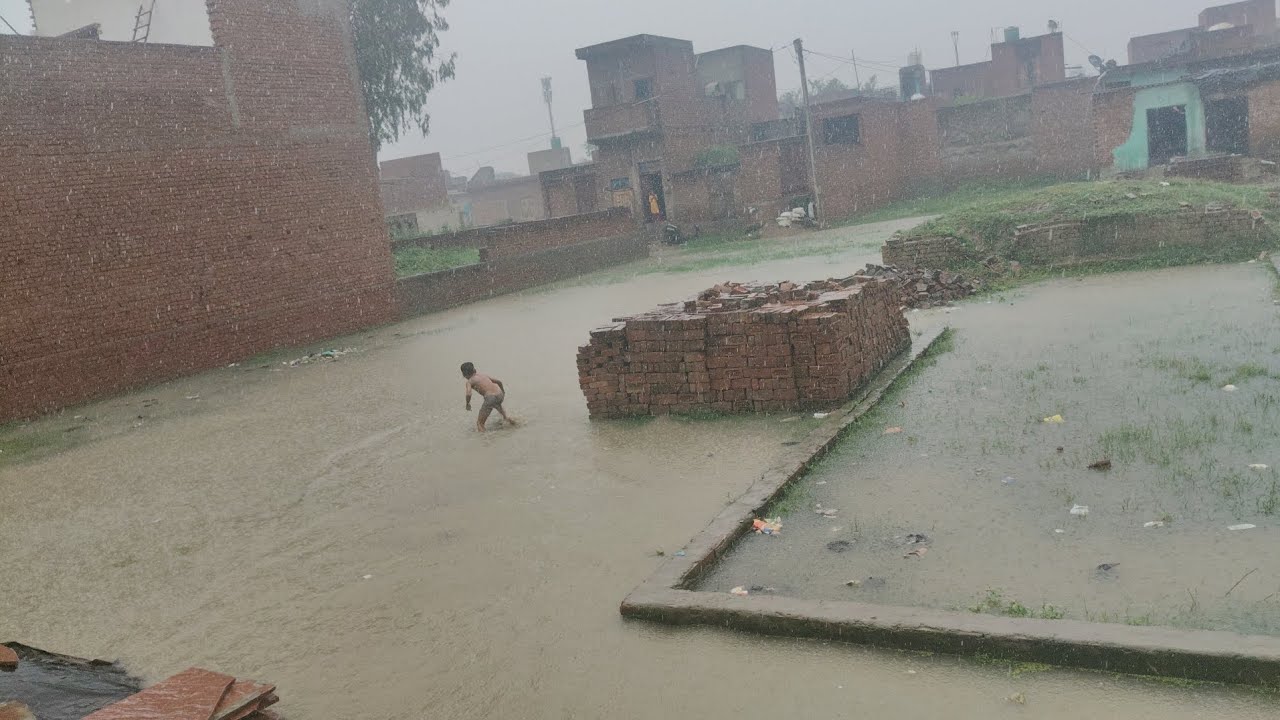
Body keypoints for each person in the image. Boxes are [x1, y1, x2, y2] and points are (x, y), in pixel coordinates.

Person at [461, 362, 514, 432]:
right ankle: (514, 423)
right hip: (499, 394)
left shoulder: (469, 382)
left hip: (490, 398)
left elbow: (468, 394)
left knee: (480, 423)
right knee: (501, 410)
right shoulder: (482, 375)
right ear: (474, 369)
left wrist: (468, 404)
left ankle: (485, 441)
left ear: (464, 374)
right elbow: (499, 382)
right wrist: (503, 392)